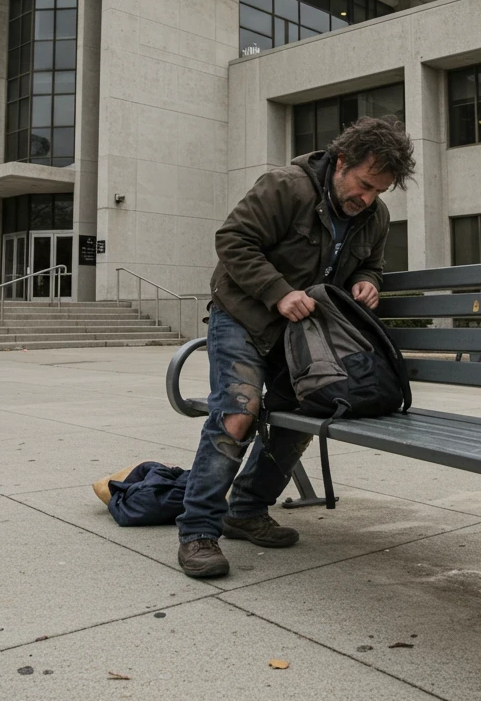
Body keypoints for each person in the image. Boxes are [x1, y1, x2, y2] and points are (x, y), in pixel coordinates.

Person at [176, 116, 416, 578]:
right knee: (238, 410)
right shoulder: (286, 186)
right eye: (364, 185)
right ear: (341, 161)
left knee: (307, 412)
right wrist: (279, 291)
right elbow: (233, 240)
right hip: (245, 314)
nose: (367, 198)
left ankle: (245, 510)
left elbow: (372, 263)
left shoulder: (374, 216)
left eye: (378, 192)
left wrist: (368, 281)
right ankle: (198, 531)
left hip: (301, 334)